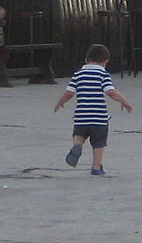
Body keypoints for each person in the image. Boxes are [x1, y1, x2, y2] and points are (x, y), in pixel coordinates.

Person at [54, 42, 133, 175]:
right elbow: (110, 92)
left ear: (86, 60)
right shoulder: (103, 74)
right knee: (98, 143)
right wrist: (125, 101)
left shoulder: (78, 74)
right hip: (98, 117)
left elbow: (69, 92)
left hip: (81, 116)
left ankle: (77, 145)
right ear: (105, 62)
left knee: (79, 134)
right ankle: (96, 167)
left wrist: (60, 102)